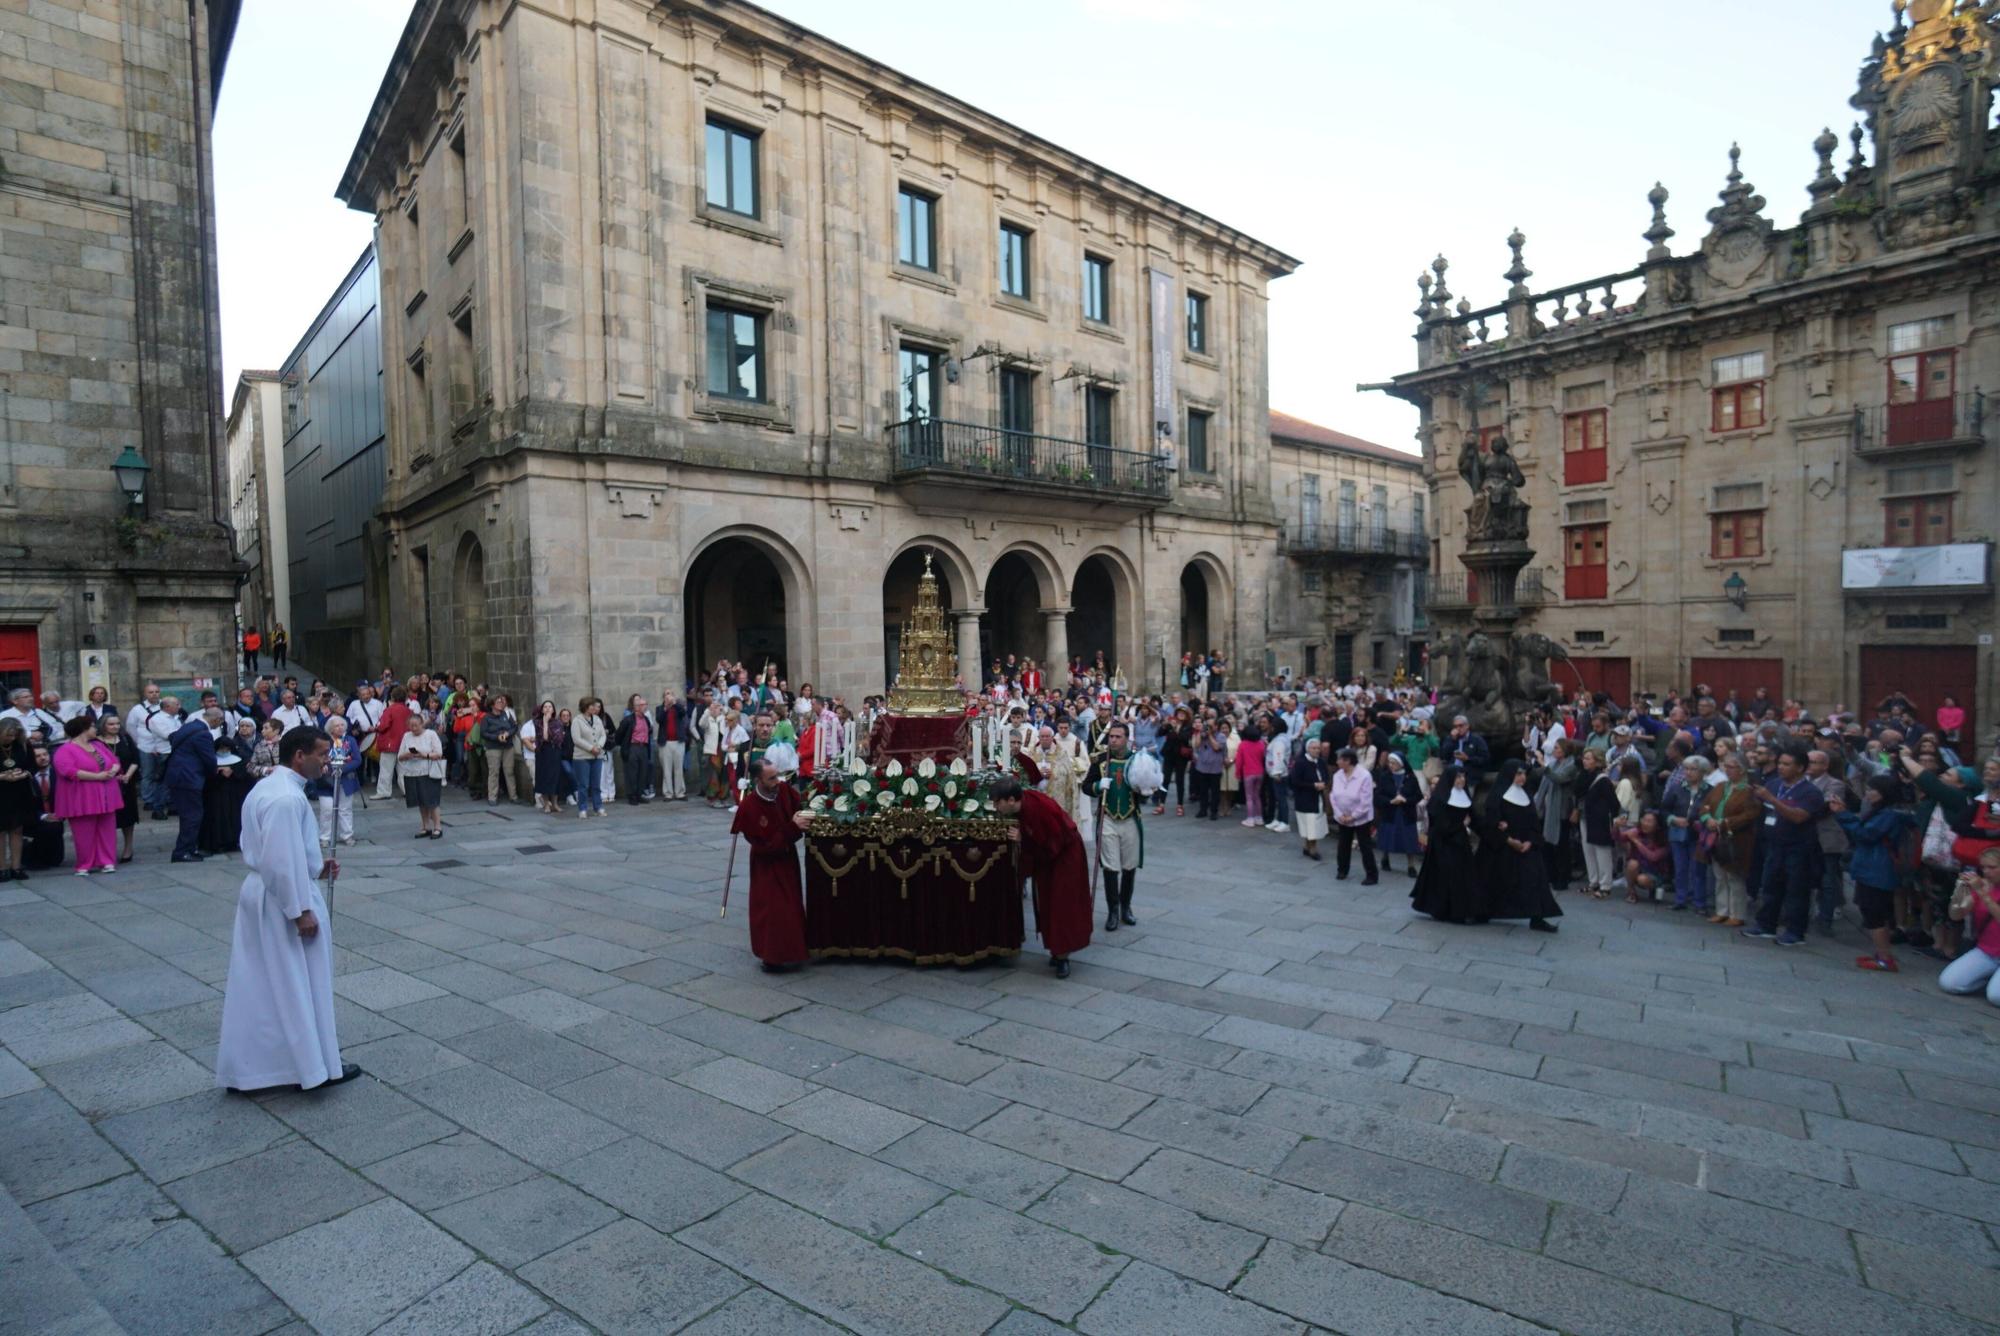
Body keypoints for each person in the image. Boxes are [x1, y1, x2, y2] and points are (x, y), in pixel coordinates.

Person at [215, 726, 360, 1093]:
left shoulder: (271, 788)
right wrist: (300, 910)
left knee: (269, 981)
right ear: (300, 755)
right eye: (323, 754)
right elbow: (279, 861)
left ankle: (280, 1064)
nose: (329, 761)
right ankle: (308, 1066)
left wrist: (315, 867)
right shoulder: (284, 799)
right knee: (296, 982)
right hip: (282, 901)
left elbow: (281, 853)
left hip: (270, 893)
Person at [990, 775, 1092, 978]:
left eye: (997, 802)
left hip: (1065, 858)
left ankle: (1063, 957)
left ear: (1011, 800)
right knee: (1045, 902)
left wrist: (1023, 838)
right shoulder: (1024, 805)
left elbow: (1052, 843)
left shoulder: (1038, 808)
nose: (995, 807)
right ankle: (1056, 949)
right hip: (1049, 859)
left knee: (1061, 906)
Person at [732, 756, 812, 972]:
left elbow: (803, 804)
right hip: (766, 866)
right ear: (759, 780)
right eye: (771, 778)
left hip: (788, 860)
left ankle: (795, 951)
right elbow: (765, 845)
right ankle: (772, 956)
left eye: (777, 775)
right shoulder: (749, 807)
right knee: (773, 909)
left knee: (792, 904)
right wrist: (793, 827)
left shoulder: (784, 790)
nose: (778, 781)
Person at [1742, 749, 1827, 947]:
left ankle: (1795, 931)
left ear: (1800, 768)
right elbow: (1761, 807)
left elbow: (1799, 816)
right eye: (1780, 763)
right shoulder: (1774, 784)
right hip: (1774, 843)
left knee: (1796, 890)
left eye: (1787, 764)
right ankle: (1766, 925)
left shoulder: (1810, 792)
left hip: (1799, 847)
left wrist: (1772, 799)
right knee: (1770, 885)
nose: (1781, 767)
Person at [1831, 775, 1914, 973]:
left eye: (1872, 790)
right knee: (1873, 911)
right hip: (1872, 867)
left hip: (1877, 869)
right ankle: (1881, 953)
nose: (1868, 793)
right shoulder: (1884, 812)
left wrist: (1843, 815)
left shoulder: (1889, 814)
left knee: (1874, 913)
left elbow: (1866, 834)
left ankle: (1885, 958)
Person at [1479, 759, 1560, 932]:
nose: (1523, 777)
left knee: (1535, 879)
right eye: (1519, 774)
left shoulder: (1526, 795)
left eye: (1524, 773)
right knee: (1494, 880)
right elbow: (1490, 824)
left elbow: (1534, 823)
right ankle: (1484, 911)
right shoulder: (1497, 797)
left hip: (1525, 846)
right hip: (1502, 847)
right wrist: (1508, 840)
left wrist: (1530, 841)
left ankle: (1537, 917)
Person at [1085, 721, 1150, 931]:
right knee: (1110, 867)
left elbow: (1148, 789)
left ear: (1126, 739)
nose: (1113, 740)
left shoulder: (1137, 761)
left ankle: (1126, 908)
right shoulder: (1100, 762)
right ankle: (1112, 910)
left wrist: (1147, 788)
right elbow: (1086, 786)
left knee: (1129, 866)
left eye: (1118, 737)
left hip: (1130, 818)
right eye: (1111, 736)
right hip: (1108, 819)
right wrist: (1097, 785)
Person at [1410, 765, 1482, 923]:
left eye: (1463, 776)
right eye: (1458, 777)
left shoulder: (1465, 795)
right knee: (1445, 876)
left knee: (1461, 876)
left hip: (1459, 842)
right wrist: (1461, 825)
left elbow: (1473, 818)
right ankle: (1443, 909)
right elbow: (1441, 824)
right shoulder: (1440, 798)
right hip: (1442, 843)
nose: (1462, 780)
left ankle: (1461, 910)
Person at [52, 715, 122, 875]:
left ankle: (107, 861)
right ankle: (85, 863)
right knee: (84, 831)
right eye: (92, 726)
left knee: (107, 828)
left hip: (106, 793)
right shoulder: (65, 750)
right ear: (83, 729)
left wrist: (113, 770)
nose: (95, 729)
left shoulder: (98, 745)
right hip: (82, 795)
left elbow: (114, 760)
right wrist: (97, 777)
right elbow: (69, 771)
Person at [1700, 753, 1761, 926]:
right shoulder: (1720, 787)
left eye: (1731, 767)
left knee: (1734, 876)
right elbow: (1704, 806)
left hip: (1736, 839)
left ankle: (1737, 913)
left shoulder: (1748, 791)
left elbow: (1750, 814)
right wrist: (1708, 819)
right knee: (1719, 875)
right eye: (1725, 766)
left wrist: (1726, 823)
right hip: (1716, 837)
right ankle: (1722, 910)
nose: (1727, 770)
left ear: (1741, 770)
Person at [1939, 848, 2000, 1004]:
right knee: (1948, 983)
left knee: (1996, 997)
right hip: (1987, 951)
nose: (1986, 872)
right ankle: (1987, 978)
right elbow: (1956, 915)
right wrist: (1959, 893)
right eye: (1984, 867)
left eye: (1992, 867)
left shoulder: (1983, 890)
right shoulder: (1984, 886)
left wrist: (1982, 894)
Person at [165, 705, 222, 863]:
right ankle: (182, 851)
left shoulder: (189, 726)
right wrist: (214, 773)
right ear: (216, 719)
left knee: (188, 815)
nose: (219, 725)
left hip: (179, 775)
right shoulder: (203, 734)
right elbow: (209, 759)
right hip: (188, 778)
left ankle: (189, 848)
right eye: (220, 722)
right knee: (193, 815)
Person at [202, 718, 257, 856]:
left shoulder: (239, 759)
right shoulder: (211, 761)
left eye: (227, 748)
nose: (224, 751)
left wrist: (233, 771)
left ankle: (233, 841)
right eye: (221, 749)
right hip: (216, 797)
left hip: (233, 798)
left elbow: (245, 775)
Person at [1328, 747, 1379, 883]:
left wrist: (1353, 816)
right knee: (1343, 844)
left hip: (1361, 818)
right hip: (1342, 816)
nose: (1337, 762)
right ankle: (1342, 870)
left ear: (1348, 761)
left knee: (1364, 845)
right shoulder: (1337, 775)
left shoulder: (1364, 776)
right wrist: (1339, 814)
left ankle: (1371, 875)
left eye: (1339, 759)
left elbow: (1366, 801)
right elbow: (1333, 796)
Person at [309, 717, 361, 848]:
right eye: (337, 725)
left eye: (342, 725)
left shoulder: (350, 740)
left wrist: (341, 769)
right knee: (327, 809)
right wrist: (324, 766)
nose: (340, 727)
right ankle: (324, 837)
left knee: (345, 809)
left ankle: (347, 835)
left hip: (345, 779)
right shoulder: (323, 741)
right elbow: (316, 757)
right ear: (330, 728)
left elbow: (357, 759)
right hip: (326, 781)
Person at [127, 683, 174, 819]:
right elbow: (131, 727)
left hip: (163, 747)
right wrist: (140, 742)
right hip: (146, 746)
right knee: (148, 774)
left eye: (156, 692)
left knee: (163, 775)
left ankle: (165, 800)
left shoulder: (165, 706)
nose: (154, 694)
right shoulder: (137, 709)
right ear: (145, 694)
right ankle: (149, 800)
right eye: (151, 692)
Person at [398, 710, 446, 838]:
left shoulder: (431, 734)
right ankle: (425, 826)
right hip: (412, 772)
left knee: (432, 801)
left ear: (422, 724)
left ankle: (437, 827)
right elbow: (400, 756)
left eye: (416, 725)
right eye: (411, 726)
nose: (413, 728)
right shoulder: (406, 736)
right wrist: (408, 754)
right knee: (420, 801)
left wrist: (423, 755)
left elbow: (439, 753)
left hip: (429, 772)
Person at [0, 718, 38, 882]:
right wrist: (2, 776)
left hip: (19, 791)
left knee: (17, 829)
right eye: (8, 736)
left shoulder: (23, 744)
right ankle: (2, 868)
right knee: (0, 831)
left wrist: (24, 774)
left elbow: (32, 766)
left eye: (14, 735)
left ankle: (16, 866)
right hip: (1, 791)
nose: (11, 739)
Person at [101, 713, 141, 864]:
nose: (115, 727)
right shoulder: (97, 742)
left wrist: (128, 775)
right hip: (106, 782)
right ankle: (108, 849)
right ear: (103, 726)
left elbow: (135, 759)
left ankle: (128, 847)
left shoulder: (125, 738)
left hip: (126, 782)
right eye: (111, 724)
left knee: (128, 817)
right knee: (109, 817)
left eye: (117, 723)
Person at [1375, 751, 1422, 875]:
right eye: (1389, 762)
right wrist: (1391, 801)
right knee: (1388, 836)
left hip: (1406, 813)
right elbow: (1378, 796)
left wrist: (1405, 800)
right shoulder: (1385, 776)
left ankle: (1411, 865)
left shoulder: (1410, 777)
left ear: (1401, 764)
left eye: (1394, 763)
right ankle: (1385, 858)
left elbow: (1418, 795)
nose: (1391, 765)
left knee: (1408, 840)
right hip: (1390, 812)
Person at [1289, 736, 1331, 861]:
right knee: (1309, 823)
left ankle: (1309, 846)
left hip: (1318, 798)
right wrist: (1313, 785)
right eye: (1314, 748)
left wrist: (1324, 783)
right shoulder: (1301, 763)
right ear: (1308, 749)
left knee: (1315, 823)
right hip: (1305, 798)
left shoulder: (1321, 762)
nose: (1316, 751)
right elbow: (1295, 781)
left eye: (1318, 748)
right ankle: (1312, 847)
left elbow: (1326, 776)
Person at [570, 697, 609, 818]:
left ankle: (598, 807)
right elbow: (577, 739)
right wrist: (591, 748)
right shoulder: (577, 721)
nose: (594, 708)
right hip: (582, 757)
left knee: (596, 784)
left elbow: (603, 735)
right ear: (585, 707)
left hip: (597, 756)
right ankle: (582, 808)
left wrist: (599, 746)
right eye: (591, 706)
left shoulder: (597, 719)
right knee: (583, 785)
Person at [525, 700, 565, 814]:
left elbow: (557, 739)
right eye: (545, 707)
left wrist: (548, 724)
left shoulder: (558, 723)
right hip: (542, 753)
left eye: (550, 707)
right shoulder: (537, 723)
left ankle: (555, 803)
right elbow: (545, 738)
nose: (547, 709)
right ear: (542, 710)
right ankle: (547, 804)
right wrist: (545, 722)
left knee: (555, 777)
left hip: (554, 752)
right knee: (543, 778)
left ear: (553, 710)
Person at [615, 693, 653, 805]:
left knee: (643, 772)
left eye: (645, 704)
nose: (645, 707)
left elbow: (649, 731)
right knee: (632, 773)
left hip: (644, 748)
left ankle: (639, 794)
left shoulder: (646, 719)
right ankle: (631, 796)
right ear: (636, 707)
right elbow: (619, 734)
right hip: (632, 747)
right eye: (642, 705)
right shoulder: (628, 720)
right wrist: (625, 745)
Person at [481, 695, 521, 804]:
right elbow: (484, 733)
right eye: (498, 702)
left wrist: (508, 733)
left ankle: (513, 796)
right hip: (493, 747)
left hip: (508, 746)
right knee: (494, 772)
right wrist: (496, 737)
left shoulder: (506, 714)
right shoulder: (486, 718)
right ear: (492, 704)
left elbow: (514, 727)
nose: (501, 703)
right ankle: (492, 797)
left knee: (509, 771)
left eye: (502, 702)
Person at [374, 685, 411, 799]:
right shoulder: (409, 711)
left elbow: (382, 726)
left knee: (386, 769)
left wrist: (377, 727)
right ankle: (408, 791)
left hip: (390, 743)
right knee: (404, 770)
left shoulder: (389, 710)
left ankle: (383, 792)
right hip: (405, 743)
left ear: (392, 697)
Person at [656, 690, 688, 801]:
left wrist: (674, 703)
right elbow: (659, 719)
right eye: (666, 694)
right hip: (665, 743)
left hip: (678, 742)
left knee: (679, 769)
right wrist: (666, 708)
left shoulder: (678, 707)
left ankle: (680, 793)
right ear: (663, 697)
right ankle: (668, 793)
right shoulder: (660, 709)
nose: (668, 696)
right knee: (667, 769)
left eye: (670, 694)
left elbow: (683, 713)